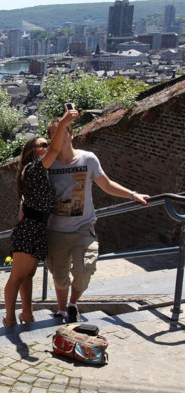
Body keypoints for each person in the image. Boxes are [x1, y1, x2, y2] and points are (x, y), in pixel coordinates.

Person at [46, 114, 149, 323]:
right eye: (52, 134)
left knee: (84, 270)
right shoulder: (48, 164)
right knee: (60, 275)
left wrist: (132, 194)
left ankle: (72, 304)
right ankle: (62, 311)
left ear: (71, 134)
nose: (58, 137)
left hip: (83, 227)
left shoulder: (88, 159)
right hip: (56, 229)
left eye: (61, 132)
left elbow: (106, 184)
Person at [3, 106, 79, 327]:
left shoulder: (39, 170)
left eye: (47, 143)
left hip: (37, 228)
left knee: (28, 277)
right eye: (43, 145)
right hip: (29, 229)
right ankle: (9, 317)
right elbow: (55, 151)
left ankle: (27, 314)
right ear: (32, 151)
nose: (47, 147)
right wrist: (63, 123)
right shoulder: (34, 168)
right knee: (16, 277)